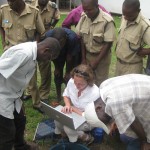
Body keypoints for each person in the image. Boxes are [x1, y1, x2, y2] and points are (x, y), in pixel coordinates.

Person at [0, 37, 60, 150]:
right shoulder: (24, 54)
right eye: (49, 58)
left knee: (20, 121)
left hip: (13, 95)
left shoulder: (32, 53)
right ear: (45, 50)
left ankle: (20, 146)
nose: (47, 60)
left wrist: (20, 97)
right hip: (3, 96)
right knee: (7, 132)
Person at [0, 0, 46, 113]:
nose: (9, 3)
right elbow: (1, 26)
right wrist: (4, 43)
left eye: (12, 0)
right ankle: (14, 101)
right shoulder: (3, 10)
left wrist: (34, 47)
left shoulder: (33, 12)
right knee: (8, 79)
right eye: (8, 0)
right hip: (10, 52)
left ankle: (36, 103)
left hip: (27, 53)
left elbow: (41, 32)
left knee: (31, 79)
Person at [84, 74, 150, 150]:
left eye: (104, 122)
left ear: (98, 108)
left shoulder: (115, 103)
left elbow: (133, 122)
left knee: (131, 138)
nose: (107, 123)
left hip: (147, 101)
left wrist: (144, 142)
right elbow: (123, 103)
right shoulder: (103, 86)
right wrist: (114, 120)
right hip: (145, 86)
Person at [24, 0, 60, 105]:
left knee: (45, 69)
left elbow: (57, 18)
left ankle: (44, 94)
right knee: (30, 68)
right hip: (30, 39)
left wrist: (50, 27)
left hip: (44, 40)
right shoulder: (29, 5)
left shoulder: (53, 7)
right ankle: (30, 91)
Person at [54, 64, 100, 144]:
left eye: (81, 84)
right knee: (57, 120)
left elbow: (92, 116)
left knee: (68, 127)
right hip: (74, 113)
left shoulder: (95, 92)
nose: (76, 85)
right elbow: (66, 95)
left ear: (88, 81)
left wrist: (74, 109)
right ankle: (66, 135)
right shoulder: (72, 81)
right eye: (75, 82)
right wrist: (68, 105)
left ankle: (85, 137)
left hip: (88, 119)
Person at [76, 0, 116, 87]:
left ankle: (99, 100)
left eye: (89, 10)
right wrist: (83, 58)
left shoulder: (107, 21)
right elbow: (82, 38)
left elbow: (108, 43)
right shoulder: (84, 17)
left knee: (100, 83)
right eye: (84, 9)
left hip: (102, 58)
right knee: (87, 81)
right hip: (88, 56)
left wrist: (96, 62)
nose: (86, 12)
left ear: (97, 6)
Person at [45, 27, 81, 104]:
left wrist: (68, 72)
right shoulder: (48, 37)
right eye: (58, 43)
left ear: (65, 38)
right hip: (57, 54)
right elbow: (52, 54)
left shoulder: (72, 38)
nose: (60, 46)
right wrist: (57, 68)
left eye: (61, 43)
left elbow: (70, 57)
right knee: (57, 75)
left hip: (72, 53)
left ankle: (70, 97)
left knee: (71, 76)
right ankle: (58, 97)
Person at [115, 0, 150, 76]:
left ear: (138, 11)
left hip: (132, 68)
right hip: (119, 64)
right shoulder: (125, 17)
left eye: (130, 16)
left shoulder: (145, 26)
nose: (126, 18)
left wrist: (146, 51)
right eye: (124, 14)